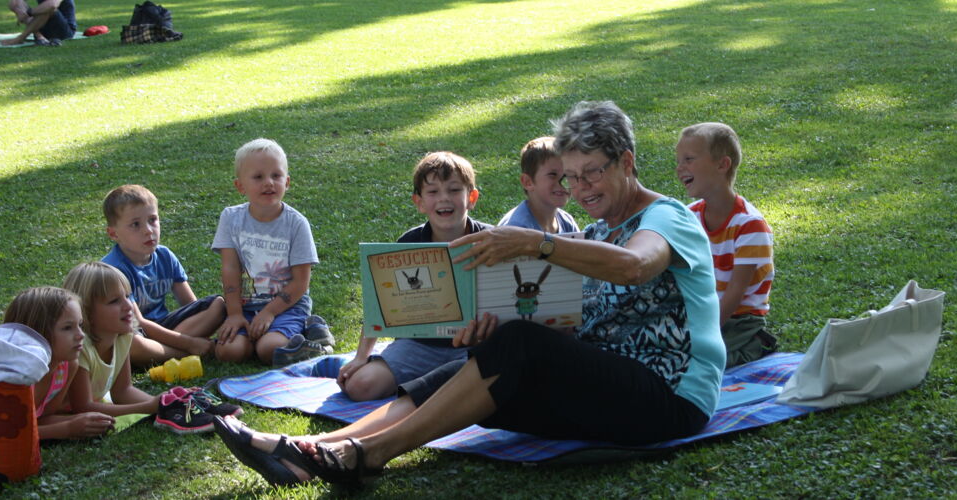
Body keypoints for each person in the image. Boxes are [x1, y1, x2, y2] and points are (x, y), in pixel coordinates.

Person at [214, 101, 726, 488]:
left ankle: (365, 458)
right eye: (572, 177)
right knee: (482, 360)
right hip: (608, 388)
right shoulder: (595, 234)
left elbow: (637, 267)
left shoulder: (666, 217)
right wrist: (494, 327)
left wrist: (537, 242)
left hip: (669, 398)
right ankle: (308, 448)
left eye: (593, 172)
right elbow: (566, 325)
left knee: (519, 346)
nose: (582, 187)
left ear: (627, 163)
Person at [337, 151, 492, 402]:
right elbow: (378, 306)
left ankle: (434, 389)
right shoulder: (408, 244)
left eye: (454, 190)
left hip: (474, 349)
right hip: (417, 347)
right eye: (433, 192)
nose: (444, 199)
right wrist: (361, 356)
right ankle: (431, 387)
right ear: (418, 202)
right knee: (360, 386)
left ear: (471, 197)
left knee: (493, 393)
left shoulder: (491, 241)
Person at [62, 262, 219, 434]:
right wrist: (149, 407)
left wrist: (165, 405)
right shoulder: (79, 349)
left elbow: (123, 391)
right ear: (86, 310)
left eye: (128, 296)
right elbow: (83, 407)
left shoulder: (122, 337)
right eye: (115, 301)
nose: (128, 306)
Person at [676, 122, 777, 367]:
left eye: (689, 159)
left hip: (738, 320)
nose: (680, 169)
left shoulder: (749, 225)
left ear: (722, 165)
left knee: (697, 362)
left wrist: (703, 334)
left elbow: (734, 294)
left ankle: (754, 347)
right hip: (700, 314)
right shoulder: (690, 216)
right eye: (678, 161)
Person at [212, 138, 320, 365]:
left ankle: (312, 332)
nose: (269, 183)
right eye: (258, 177)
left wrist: (270, 312)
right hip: (246, 307)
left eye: (276, 176)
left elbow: (301, 282)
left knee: (269, 350)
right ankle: (257, 336)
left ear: (287, 182)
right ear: (240, 186)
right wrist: (234, 314)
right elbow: (230, 268)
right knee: (229, 353)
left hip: (286, 307)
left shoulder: (297, 224)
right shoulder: (231, 218)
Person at [100, 184, 226, 366]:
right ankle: (181, 353)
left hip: (165, 326)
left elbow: (191, 304)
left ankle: (165, 352)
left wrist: (201, 325)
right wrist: (190, 343)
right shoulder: (114, 270)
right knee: (131, 343)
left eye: (152, 220)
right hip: (135, 331)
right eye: (135, 224)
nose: (148, 230)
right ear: (113, 234)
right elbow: (139, 323)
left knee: (219, 305)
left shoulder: (165, 256)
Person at [3, 286, 115, 439]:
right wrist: (68, 428)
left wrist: (87, 420)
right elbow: (9, 433)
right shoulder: (19, 377)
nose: (81, 335)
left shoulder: (66, 366)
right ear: (37, 332)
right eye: (67, 328)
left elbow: (42, 419)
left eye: (80, 325)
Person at [497, 136, 580, 234]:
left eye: (569, 175)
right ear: (527, 182)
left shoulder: (567, 222)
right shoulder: (516, 229)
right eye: (552, 175)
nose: (563, 182)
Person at [0, 0, 75, 46]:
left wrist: (28, 13)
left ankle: (21, 38)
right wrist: (19, 9)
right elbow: (14, 3)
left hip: (64, 31)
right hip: (43, 26)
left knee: (48, 9)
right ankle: (40, 37)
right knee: (16, 3)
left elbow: (52, 5)